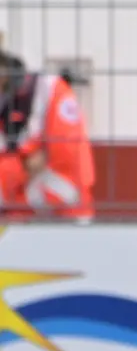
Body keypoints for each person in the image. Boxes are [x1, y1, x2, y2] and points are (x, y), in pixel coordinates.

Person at [0, 50, 95, 222]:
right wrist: (24, 161)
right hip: (20, 215)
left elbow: (65, 159)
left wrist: (19, 162)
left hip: (64, 217)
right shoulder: (7, 103)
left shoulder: (50, 91)